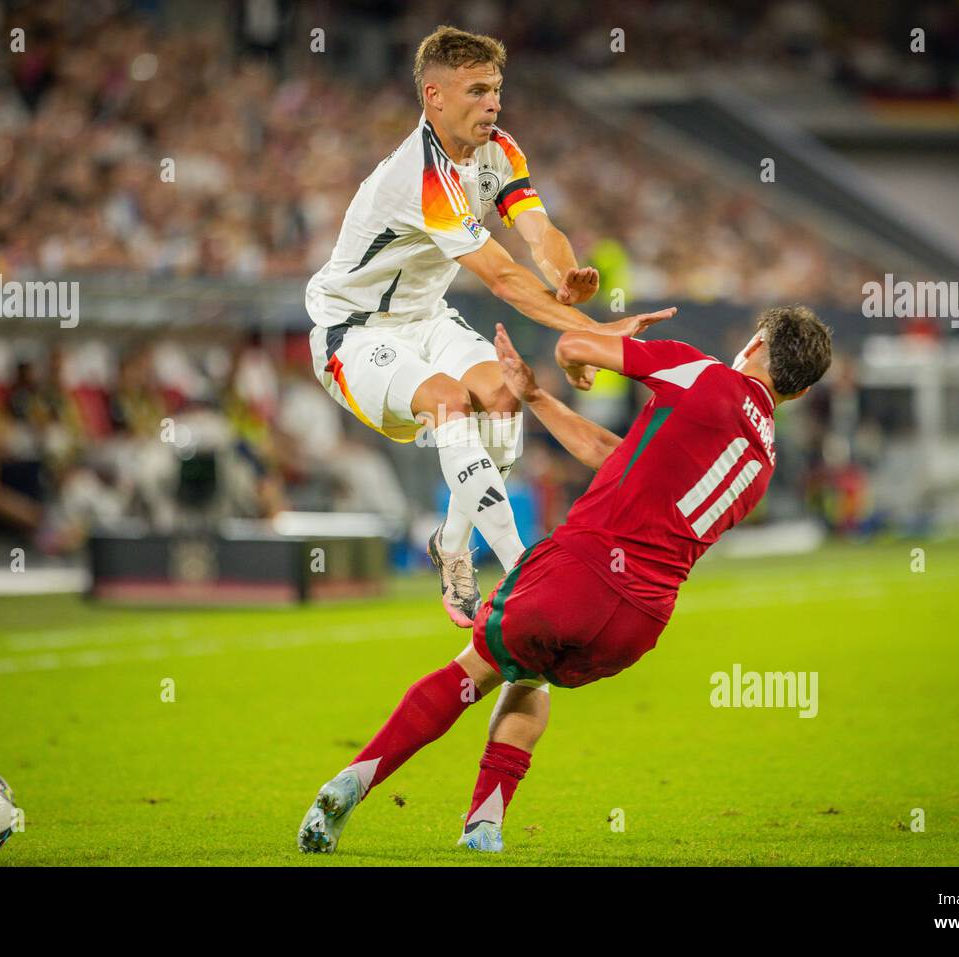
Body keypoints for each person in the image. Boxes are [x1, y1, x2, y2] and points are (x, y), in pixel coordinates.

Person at [298, 305, 834, 854]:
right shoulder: (762, 460)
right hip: (638, 622)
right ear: (798, 392)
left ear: (757, 344)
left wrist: (600, 340)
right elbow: (615, 457)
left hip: (578, 572)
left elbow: (573, 348)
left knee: (472, 673)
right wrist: (534, 398)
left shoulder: (703, 372)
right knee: (531, 677)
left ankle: (352, 781)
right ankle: (484, 826)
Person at [303, 24, 669, 630]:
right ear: (433, 96)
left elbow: (537, 232)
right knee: (450, 402)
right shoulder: (420, 175)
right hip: (355, 332)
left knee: (503, 394)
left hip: (427, 319)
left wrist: (562, 272)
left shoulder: (498, 149)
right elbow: (500, 278)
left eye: (496, 88)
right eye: (476, 90)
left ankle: (451, 547)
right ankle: (524, 571)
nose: (492, 103)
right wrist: (593, 332)